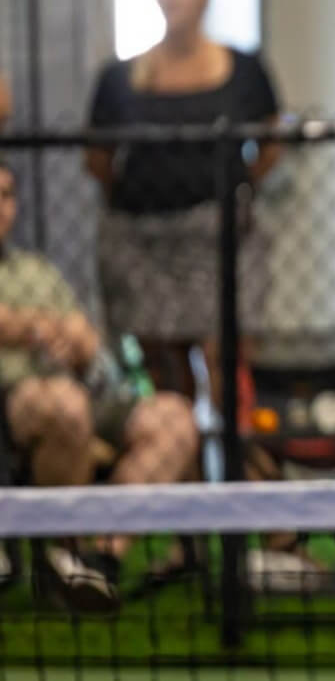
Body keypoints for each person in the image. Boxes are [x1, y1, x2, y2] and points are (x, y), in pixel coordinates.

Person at [0, 158, 199, 611]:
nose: (2, 206)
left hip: (77, 390)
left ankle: (100, 558)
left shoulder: (35, 270)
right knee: (62, 405)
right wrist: (35, 326)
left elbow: (89, 343)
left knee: (173, 418)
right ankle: (59, 554)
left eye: (9, 195)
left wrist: (80, 344)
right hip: (15, 399)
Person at [85, 0, 281, 408]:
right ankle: (182, 468)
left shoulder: (244, 69)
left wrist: (241, 188)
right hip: (144, 239)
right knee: (166, 376)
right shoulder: (119, 78)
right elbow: (97, 160)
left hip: (220, 237)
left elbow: (271, 142)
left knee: (225, 359)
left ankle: (241, 469)